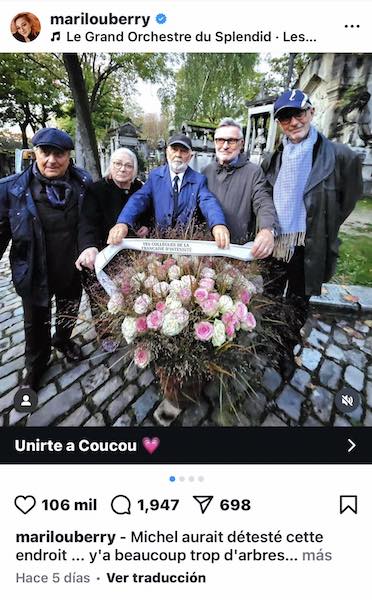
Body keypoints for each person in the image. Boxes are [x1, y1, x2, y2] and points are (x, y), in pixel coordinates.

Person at [262, 89, 363, 378]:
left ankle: (286, 348)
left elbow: (348, 198)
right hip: (275, 242)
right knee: (269, 295)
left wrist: (322, 224)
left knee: (296, 303)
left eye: (298, 113)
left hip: (307, 245)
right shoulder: (273, 157)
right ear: (279, 124)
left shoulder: (340, 156)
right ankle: (268, 340)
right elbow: (266, 195)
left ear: (311, 111)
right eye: (285, 118)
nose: (293, 122)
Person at [0, 128, 92, 391]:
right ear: (35, 153)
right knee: (35, 322)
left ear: (68, 156)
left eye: (59, 154)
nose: (51, 160)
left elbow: (89, 222)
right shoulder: (12, 189)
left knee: (68, 311)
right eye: (45, 152)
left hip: (71, 267)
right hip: (34, 268)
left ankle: (62, 340)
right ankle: (36, 365)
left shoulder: (82, 183)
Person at [75, 147, 151, 344]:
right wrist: (88, 246)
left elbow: (147, 214)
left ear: (134, 170)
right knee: (101, 298)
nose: (122, 169)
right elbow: (87, 222)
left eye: (128, 165)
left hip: (129, 254)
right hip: (103, 253)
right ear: (110, 165)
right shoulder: (96, 190)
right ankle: (106, 334)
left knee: (130, 293)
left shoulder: (139, 188)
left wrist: (146, 227)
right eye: (118, 164)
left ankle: (132, 330)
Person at [107, 133, 230, 248]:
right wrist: (123, 222)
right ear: (167, 152)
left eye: (183, 151)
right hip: (159, 245)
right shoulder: (155, 176)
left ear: (190, 156)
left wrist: (218, 224)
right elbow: (139, 199)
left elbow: (208, 202)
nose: (178, 154)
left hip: (187, 246)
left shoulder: (198, 180)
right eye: (174, 149)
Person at [203, 117, 278, 258]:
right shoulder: (206, 171)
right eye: (220, 140)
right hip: (209, 249)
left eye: (231, 141)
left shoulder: (253, 172)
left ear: (241, 143)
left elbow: (263, 201)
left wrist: (267, 229)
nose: (225, 146)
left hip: (238, 251)